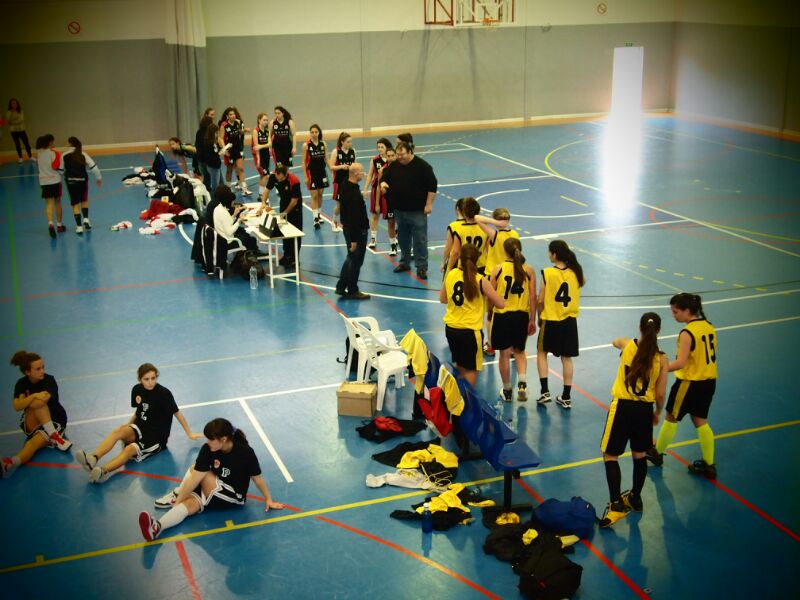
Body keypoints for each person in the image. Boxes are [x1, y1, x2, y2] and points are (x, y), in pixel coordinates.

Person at [138, 418, 285, 541]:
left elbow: (257, 478)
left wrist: (268, 499)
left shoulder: (245, 452)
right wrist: (181, 501)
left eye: (211, 439)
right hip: (214, 488)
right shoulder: (208, 449)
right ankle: (157, 527)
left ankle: (177, 494)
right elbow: (195, 477)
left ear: (224, 439)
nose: (207, 442)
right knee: (189, 505)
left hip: (233, 495)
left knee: (199, 472)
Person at [74, 363, 203, 483]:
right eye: (146, 379)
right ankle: (93, 458)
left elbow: (177, 412)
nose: (150, 382)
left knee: (129, 449)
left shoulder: (164, 394)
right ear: (140, 379)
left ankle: (102, 471)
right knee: (118, 431)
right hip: (140, 426)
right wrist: (128, 425)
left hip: (156, 437)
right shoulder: (137, 390)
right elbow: (139, 410)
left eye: (153, 378)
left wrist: (189, 433)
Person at [599, 313, 668, 528]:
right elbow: (660, 394)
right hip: (644, 410)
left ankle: (616, 505)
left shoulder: (627, 345)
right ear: (659, 330)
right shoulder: (662, 358)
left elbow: (615, 341)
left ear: (640, 328)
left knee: (610, 455)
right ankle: (635, 497)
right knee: (639, 455)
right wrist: (657, 412)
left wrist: (621, 344)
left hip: (623, 407)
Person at [646, 293, 719, 479]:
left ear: (687, 311)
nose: (674, 315)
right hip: (709, 382)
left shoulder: (687, 333)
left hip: (689, 383)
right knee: (700, 420)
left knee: (671, 416)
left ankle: (657, 453)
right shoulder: (708, 326)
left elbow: (680, 363)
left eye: (676, 312)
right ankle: (709, 464)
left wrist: (660, 369)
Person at [440, 243, 504, 386]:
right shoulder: (480, 280)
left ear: (460, 258)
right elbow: (500, 304)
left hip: (451, 329)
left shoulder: (451, 274)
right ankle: (467, 398)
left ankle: (458, 397)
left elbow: (442, 299)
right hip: (470, 332)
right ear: (477, 260)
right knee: (471, 371)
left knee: (460, 366)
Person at [2, 351, 71, 479]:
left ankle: (10, 463)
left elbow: (41, 401)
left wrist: (26, 400)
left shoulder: (49, 380)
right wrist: (34, 395)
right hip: (33, 421)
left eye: (43, 367)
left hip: (54, 420)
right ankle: (54, 437)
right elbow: (16, 406)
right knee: (37, 404)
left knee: (32, 444)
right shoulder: (21, 383)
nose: (42, 371)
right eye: (38, 369)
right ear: (28, 372)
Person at [536, 240, 585, 409]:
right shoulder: (576, 273)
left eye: (549, 252)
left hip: (551, 320)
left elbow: (540, 300)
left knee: (542, 353)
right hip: (569, 322)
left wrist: (539, 317)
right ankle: (566, 396)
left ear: (554, 254)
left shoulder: (548, 273)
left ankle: (545, 392)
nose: (548, 255)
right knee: (567, 358)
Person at [380, 141, 437, 280]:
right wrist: (383, 184)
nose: (399, 157)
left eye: (402, 154)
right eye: (398, 154)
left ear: (410, 152)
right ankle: (404, 262)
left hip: (417, 211)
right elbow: (384, 178)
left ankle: (421, 267)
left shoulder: (423, 167)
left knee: (420, 240)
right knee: (403, 239)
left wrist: (429, 204)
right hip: (399, 210)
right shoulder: (394, 165)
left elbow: (432, 186)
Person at [490, 238, 537, 402]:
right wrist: (532, 319)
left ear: (505, 251)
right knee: (520, 352)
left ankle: (507, 390)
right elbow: (532, 297)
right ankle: (522, 383)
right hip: (521, 316)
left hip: (503, 315)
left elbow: (491, 294)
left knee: (504, 354)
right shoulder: (529, 270)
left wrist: (490, 312)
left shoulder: (498, 269)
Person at [335, 163, 370, 300]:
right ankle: (352, 290)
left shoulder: (345, 185)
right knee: (356, 261)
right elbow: (354, 218)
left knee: (350, 258)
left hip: (348, 228)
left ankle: (341, 286)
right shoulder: (353, 193)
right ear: (355, 174)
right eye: (362, 172)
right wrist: (354, 240)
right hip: (356, 231)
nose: (364, 174)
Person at [263, 165, 303, 268]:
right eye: (279, 178)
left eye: (282, 178)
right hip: (284, 202)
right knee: (284, 230)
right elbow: (266, 190)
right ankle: (287, 255)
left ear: (286, 175)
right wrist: (263, 203)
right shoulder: (273, 177)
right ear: (276, 173)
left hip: (295, 207)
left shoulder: (294, 181)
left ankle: (294, 258)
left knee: (295, 232)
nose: (280, 180)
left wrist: (285, 213)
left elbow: (294, 201)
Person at [62, 136, 102, 234]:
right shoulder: (83, 154)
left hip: (70, 182)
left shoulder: (64, 155)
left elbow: (60, 170)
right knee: (84, 200)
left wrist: (65, 174)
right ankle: (86, 219)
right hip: (83, 181)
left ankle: (79, 227)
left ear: (70, 143)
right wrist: (98, 178)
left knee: (75, 203)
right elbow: (94, 167)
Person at [211, 184, 258, 253]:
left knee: (244, 233)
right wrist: (239, 220)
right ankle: (250, 254)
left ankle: (246, 253)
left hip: (222, 239)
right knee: (250, 239)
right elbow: (229, 232)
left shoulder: (218, 208)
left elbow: (226, 223)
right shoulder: (223, 212)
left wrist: (234, 215)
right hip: (228, 242)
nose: (233, 203)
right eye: (232, 201)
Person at [35, 134, 65, 239]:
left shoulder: (39, 154)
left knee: (48, 204)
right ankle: (59, 226)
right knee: (57, 202)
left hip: (44, 181)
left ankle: (50, 224)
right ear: (50, 142)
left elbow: (38, 166)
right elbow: (56, 166)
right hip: (55, 181)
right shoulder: (54, 153)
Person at [302, 124, 329, 229]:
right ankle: (315, 219)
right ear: (310, 133)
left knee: (320, 194)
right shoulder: (306, 145)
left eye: (316, 132)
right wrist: (305, 176)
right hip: (311, 173)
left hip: (322, 172)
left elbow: (326, 158)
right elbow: (303, 162)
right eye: (312, 132)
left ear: (319, 133)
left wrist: (332, 168)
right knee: (314, 195)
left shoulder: (323, 144)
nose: (314, 134)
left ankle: (319, 214)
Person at [219, 107, 250, 195]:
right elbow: (220, 138)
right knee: (229, 170)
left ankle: (244, 189)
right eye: (231, 114)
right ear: (227, 116)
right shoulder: (224, 125)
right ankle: (228, 188)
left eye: (234, 114)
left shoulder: (237, 122)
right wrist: (224, 149)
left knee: (240, 168)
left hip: (237, 149)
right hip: (229, 150)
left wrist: (244, 131)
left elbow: (238, 132)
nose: (233, 116)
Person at [366, 138, 391, 248]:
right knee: (375, 215)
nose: (380, 149)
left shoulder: (392, 159)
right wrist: (365, 188)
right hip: (376, 190)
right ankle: (373, 239)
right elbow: (370, 175)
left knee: (392, 218)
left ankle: (394, 238)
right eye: (378, 147)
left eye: (382, 147)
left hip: (390, 191)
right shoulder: (375, 160)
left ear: (387, 147)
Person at [374, 146, 399, 255]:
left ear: (396, 156)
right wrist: (377, 204)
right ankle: (393, 245)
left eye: (392, 155)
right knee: (391, 222)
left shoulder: (401, 168)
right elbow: (379, 187)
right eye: (388, 156)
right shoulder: (382, 170)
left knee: (404, 223)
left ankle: (409, 246)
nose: (390, 158)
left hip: (401, 200)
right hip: (389, 200)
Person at [329, 132, 355, 232]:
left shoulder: (353, 151)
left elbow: (354, 165)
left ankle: (347, 223)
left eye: (351, 141)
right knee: (339, 205)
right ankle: (334, 222)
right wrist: (341, 167)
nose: (350, 143)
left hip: (350, 181)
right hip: (339, 182)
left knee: (350, 203)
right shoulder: (336, 151)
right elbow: (331, 167)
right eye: (348, 142)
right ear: (342, 142)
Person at [251, 112, 272, 202]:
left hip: (266, 155)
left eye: (267, 120)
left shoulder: (267, 131)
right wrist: (258, 159)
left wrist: (262, 146)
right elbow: (256, 147)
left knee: (263, 175)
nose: (266, 122)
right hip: (259, 155)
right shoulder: (256, 131)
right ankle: (263, 196)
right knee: (266, 176)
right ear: (259, 120)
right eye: (264, 120)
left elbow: (270, 144)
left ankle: (260, 195)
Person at [5, 98, 32, 162]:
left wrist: (12, 122)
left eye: (15, 103)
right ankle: (20, 158)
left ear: (17, 104)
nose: (14, 104)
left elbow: (21, 120)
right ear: (10, 104)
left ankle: (30, 156)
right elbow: (8, 121)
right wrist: (12, 116)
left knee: (26, 143)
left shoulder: (20, 111)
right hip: (13, 131)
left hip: (21, 130)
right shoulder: (9, 112)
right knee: (17, 144)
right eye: (13, 103)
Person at [199, 123, 222, 194]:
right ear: (212, 133)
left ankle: (220, 196)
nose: (217, 135)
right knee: (215, 187)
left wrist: (222, 149)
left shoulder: (214, 141)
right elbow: (210, 156)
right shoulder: (208, 143)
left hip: (216, 165)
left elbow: (217, 150)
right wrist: (219, 154)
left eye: (218, 133)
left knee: (220, 184)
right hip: (213, 167)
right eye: (216, 133)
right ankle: (214, 198)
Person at [195, 115, 214, 190]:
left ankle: (206, 190)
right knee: (207, 177)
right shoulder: (207, 133)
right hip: (205, 159)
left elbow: (197, 146)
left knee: (206, 176)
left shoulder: (199, 132)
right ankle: (207, 191)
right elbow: (205, 147)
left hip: (200, 159)